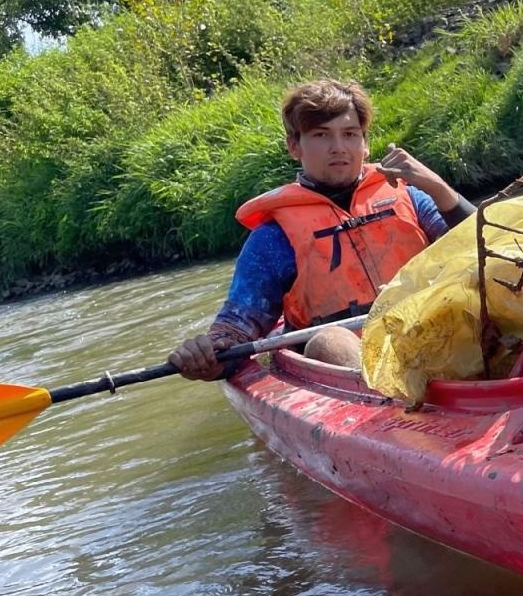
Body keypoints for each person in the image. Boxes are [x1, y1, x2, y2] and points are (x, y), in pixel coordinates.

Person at [169, 79, 474, 380]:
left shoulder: (411, 198)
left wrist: (440, 189)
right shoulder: (274, 237)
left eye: (350, 134)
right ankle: (393, 402)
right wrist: (207, 355)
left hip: (432, 335)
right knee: (330, 340)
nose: (338, 148)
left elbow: (492, 249)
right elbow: (237, 331)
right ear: (294, 146)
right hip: (348, 364)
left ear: (365, 144)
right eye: (321, 135)